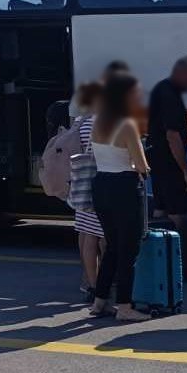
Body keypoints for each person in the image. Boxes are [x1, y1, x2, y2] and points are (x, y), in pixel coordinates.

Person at [89, 72, 152, 322]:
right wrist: (144, 164)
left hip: (101, 184)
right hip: (124, 186)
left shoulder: (97, 122)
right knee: (129, 249)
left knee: (112, 245)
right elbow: (142, 166)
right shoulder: (126, 125)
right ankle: (125, 306)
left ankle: (99, 300)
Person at [148, 56, 187, 227]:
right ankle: (181, 242)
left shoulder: (161, 88)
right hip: (170, 162)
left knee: (160, 206)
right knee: (177, 210)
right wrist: (186, 171)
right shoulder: (170, 94)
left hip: (157, 158)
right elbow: (172, 135)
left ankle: (160, 242)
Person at [71, 80, 105, 301]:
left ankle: (88, 280)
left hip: (80, 183)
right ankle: (97, 284)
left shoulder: (80, 120)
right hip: (95, 182)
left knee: (84, 232)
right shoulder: (97, 122)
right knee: (98, 236)